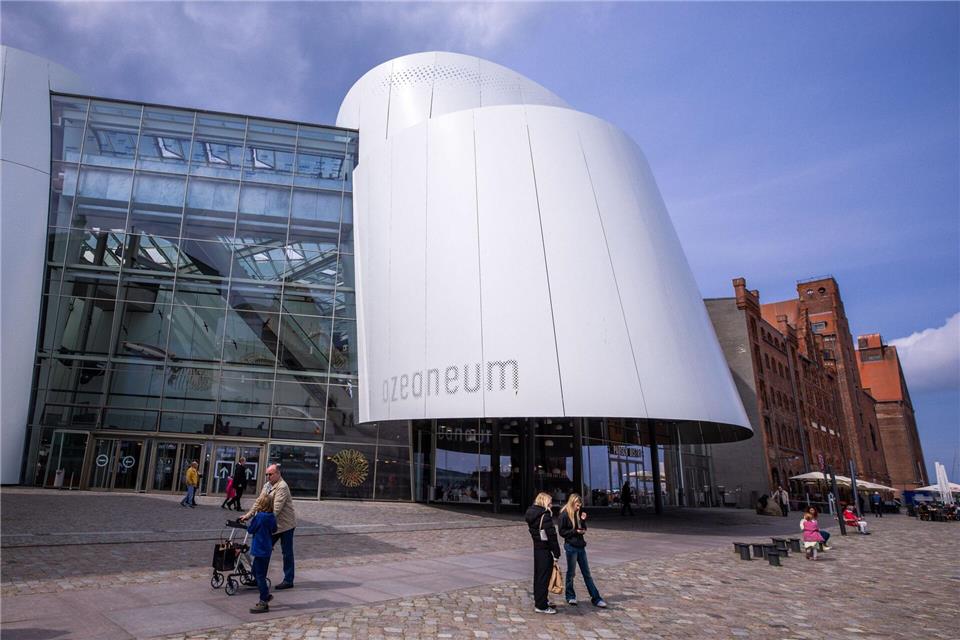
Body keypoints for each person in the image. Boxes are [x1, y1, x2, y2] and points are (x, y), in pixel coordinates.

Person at [242, 464, 296, 589]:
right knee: (263, 551)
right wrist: (248, 515)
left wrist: (261, 520)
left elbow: (276, 509)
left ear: (278, 474)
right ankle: (257, 577)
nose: (268, 476)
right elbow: (259, 502)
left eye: (270, 474)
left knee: (287, 553)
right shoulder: (267, 485)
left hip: (285, 525)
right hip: (271, 524)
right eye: (267, 474)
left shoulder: (282, 486)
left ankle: (289, 580)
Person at [558, 494, 607, 608]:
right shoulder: (564, 514)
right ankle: (570, 596)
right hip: (571, 546)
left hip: (580, 546)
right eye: (577, 505)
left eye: (580, 505)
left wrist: (583, 521)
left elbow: (582, 528)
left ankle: (596, 598)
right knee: (571, 573)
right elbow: (562, 532)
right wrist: (575, 531)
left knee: (587, 574)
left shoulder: (578, 513)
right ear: (572, 503)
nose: (579, 507)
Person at [525, 491, 561, 614]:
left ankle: (541, 600)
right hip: (545, 550)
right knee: (543, 577)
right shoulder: (544, 516)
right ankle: (541, 605)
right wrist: (557, 553)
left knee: (539, 576)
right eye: (550, 503)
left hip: (537, 548)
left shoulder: (532, 514)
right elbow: (552, 536)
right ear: (545, 502)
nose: (551, 505)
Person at [246, 493, 277, 613]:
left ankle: (264, 600)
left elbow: (251, 529)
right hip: (267, 549)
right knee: (257, 571)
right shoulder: (271, 516)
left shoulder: (259, 517)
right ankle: (265, 596)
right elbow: (274, 529)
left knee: (259, 576)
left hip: (259, 549)